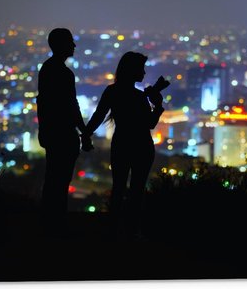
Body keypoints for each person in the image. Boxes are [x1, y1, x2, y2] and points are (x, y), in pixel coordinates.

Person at [82, 51, 165, 238]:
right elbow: (149, 124)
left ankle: (113, 228)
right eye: (141, 69)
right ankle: (132, 230)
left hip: (121, 143)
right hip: (142, 146)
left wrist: (86, 134)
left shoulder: (112, 91)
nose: (144, 73)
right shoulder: (138, 97)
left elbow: (98, 116)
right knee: (137, 190)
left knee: (118, 188)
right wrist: (158, 105)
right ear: (132, 70)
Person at [36, 28, 90, 237]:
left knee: (53, 179)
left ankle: (49, 222)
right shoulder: (63, 73)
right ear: (62, 45)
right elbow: (70, 105)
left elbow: (45, 103)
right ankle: (56, 224)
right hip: (64, 134)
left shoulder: (47, 69)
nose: (74, 46)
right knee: (60, 180)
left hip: (52, 132)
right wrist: (83, 131)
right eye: (70, 42)